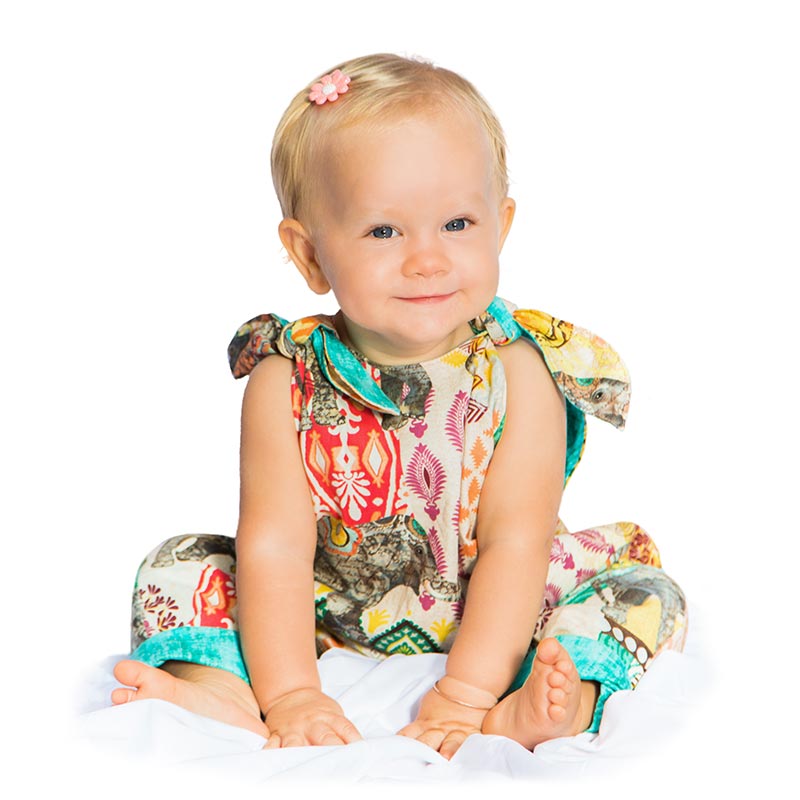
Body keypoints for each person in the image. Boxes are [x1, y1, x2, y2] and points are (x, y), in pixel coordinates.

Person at [110, 53, 687, 760]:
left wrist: (466, 693)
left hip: (500, 611)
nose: (427, 259)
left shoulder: (519, 371)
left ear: (501, 225)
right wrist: (292, 694)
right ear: (309, 254)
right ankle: (223, 689)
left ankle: (559, 702)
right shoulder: (285, 377)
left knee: (643, 592)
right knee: (177, 565)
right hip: (326, 614)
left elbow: (517, 541)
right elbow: (275, 546)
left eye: (458, 223)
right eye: (384, 231)